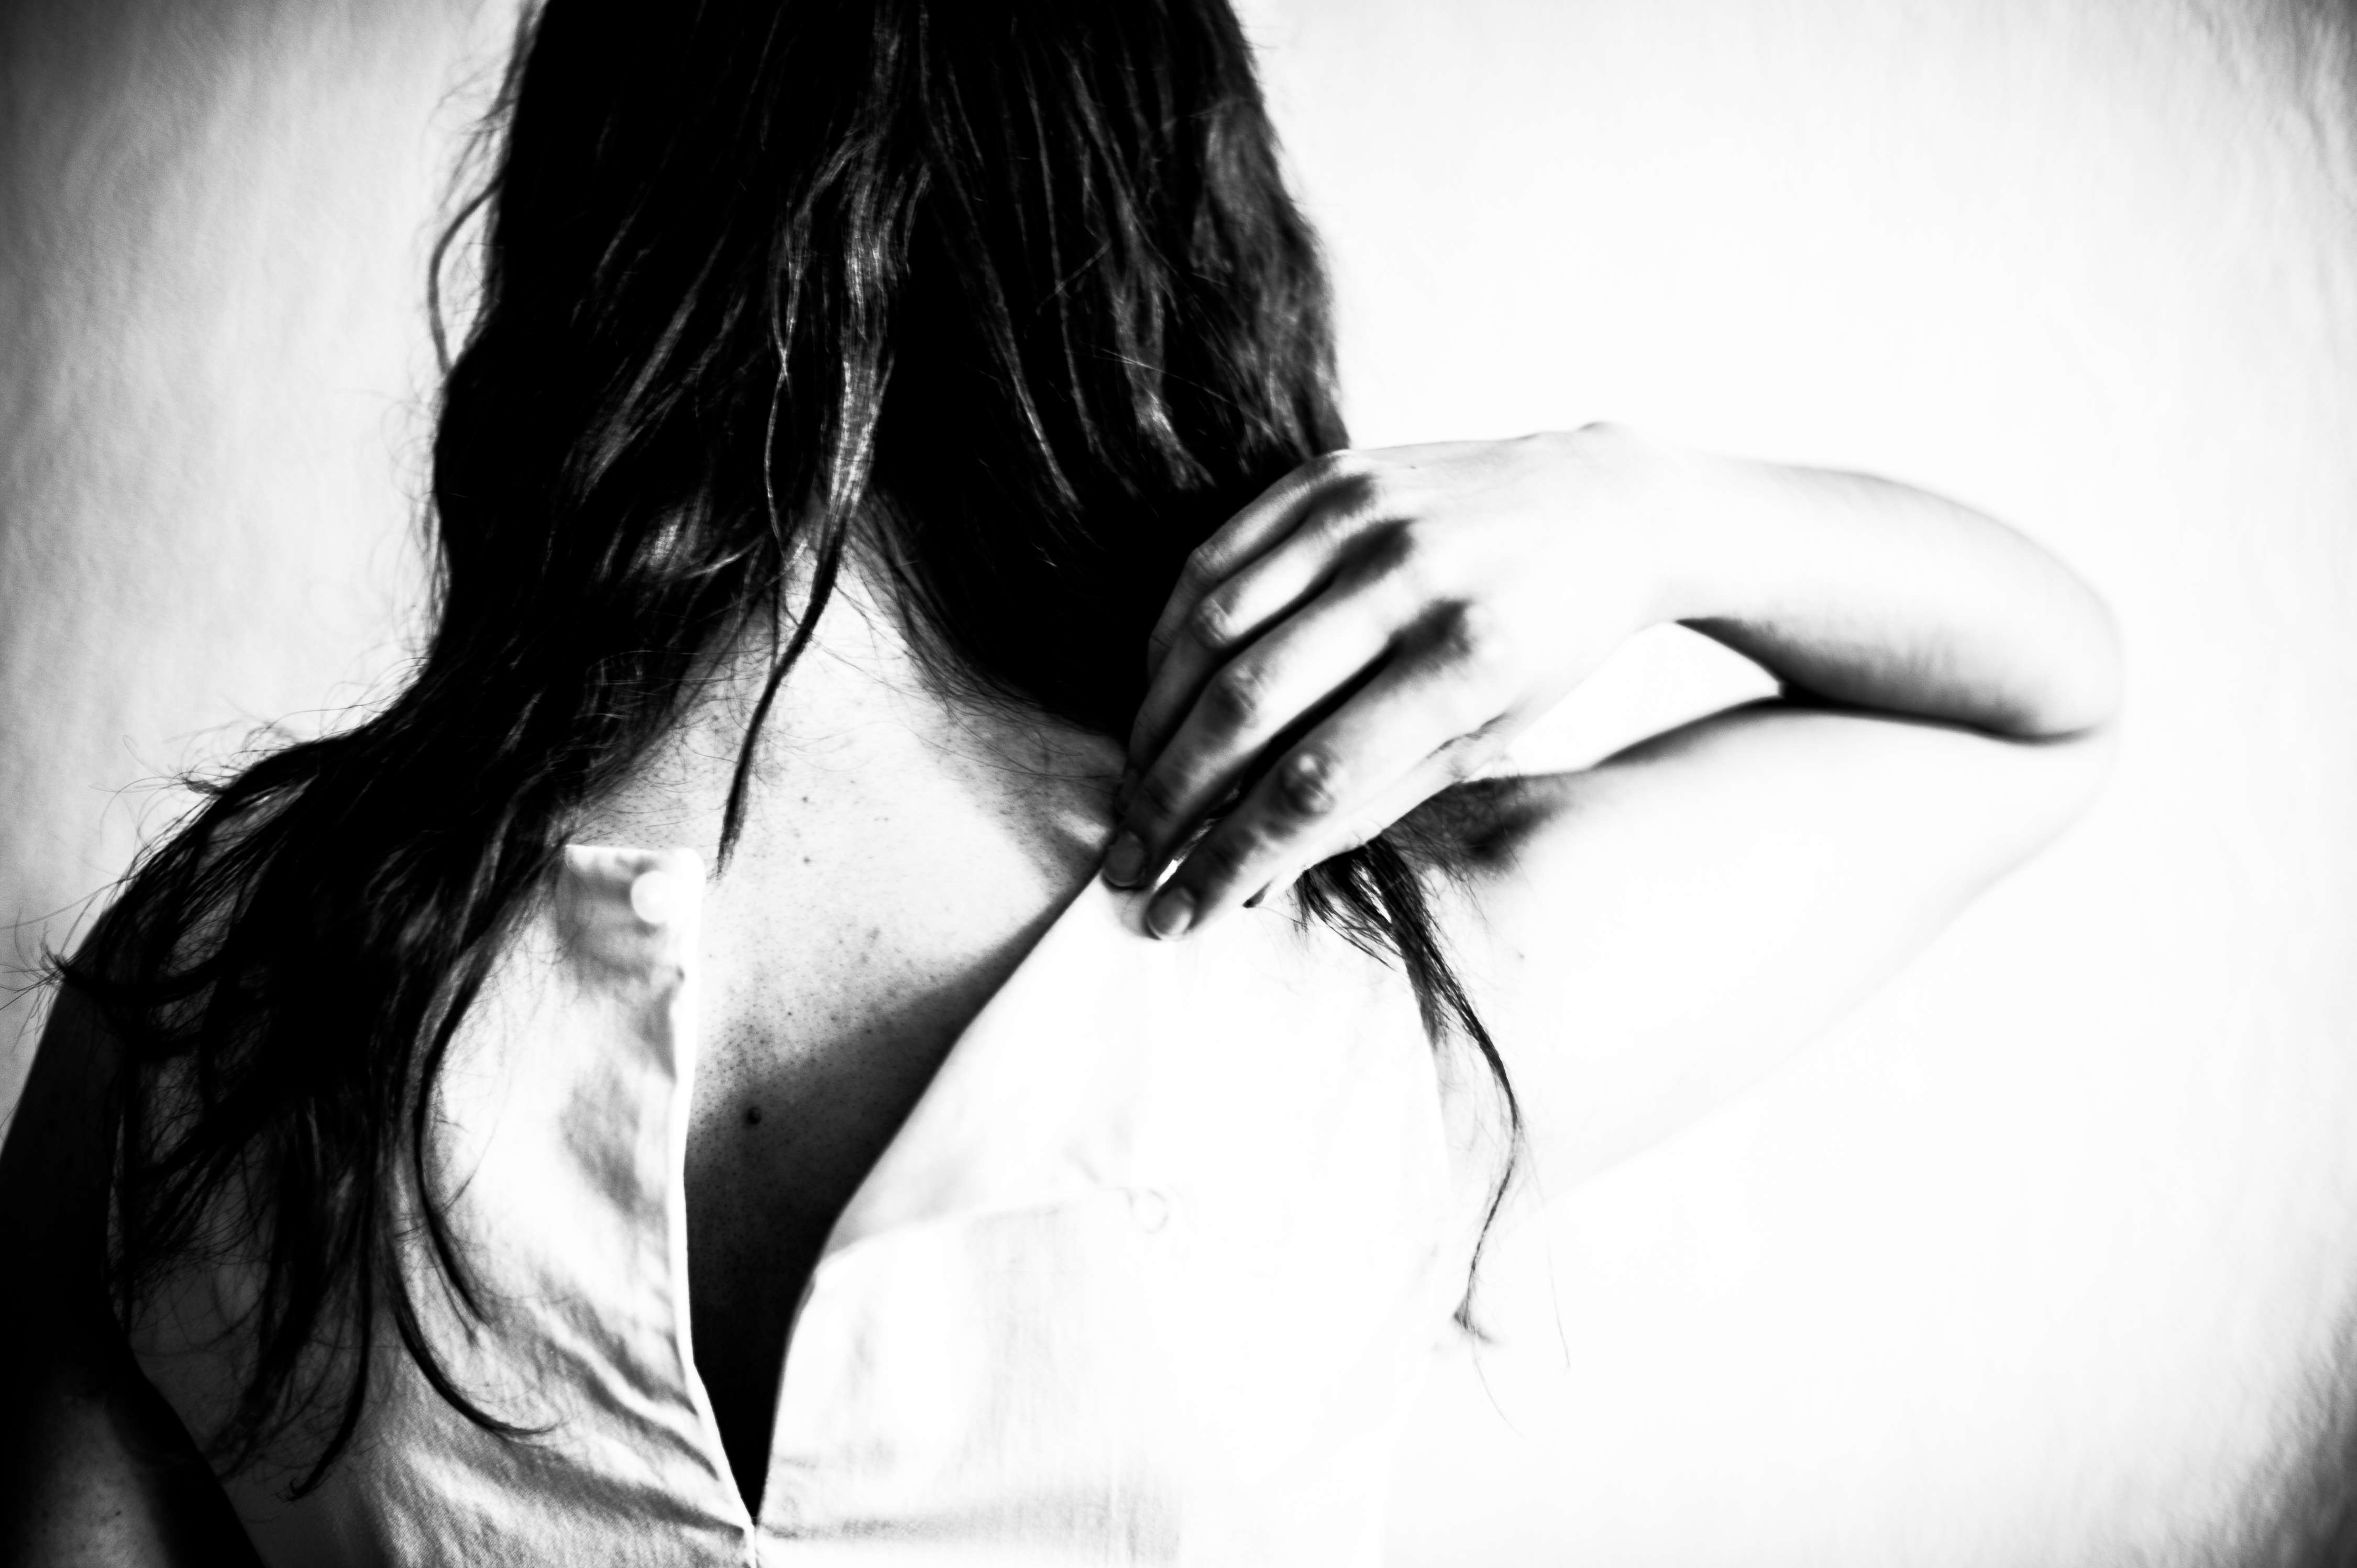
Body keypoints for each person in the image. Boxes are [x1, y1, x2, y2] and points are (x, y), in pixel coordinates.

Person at [0, 0, 2120, 1561]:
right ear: (1175, 262)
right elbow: (2044, 711)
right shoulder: (1359, 960)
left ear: (589, 241)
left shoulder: (215, 977)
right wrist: (1643, 509)